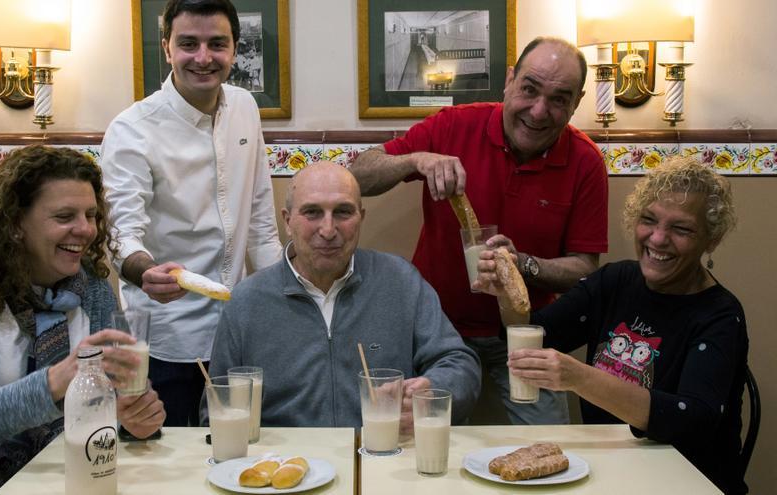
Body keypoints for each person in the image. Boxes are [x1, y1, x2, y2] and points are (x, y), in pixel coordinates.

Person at [351, 36, 608, 425]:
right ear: (509, 80)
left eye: (559, 99)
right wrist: (415, 160)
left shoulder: (586, 161)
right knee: (413, 433)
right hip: (438, 329)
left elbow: (585, 269)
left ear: (577, 102)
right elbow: (358, 176)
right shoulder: (454, 125)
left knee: (550, 443)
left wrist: (521, 264)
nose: (539, 111)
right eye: (529, 89)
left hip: (525, 333)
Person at [0, 146, 165, 494]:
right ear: (15, 224)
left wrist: (133, 420)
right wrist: (55, 380)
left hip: (57, 482)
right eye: (65, 216)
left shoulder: (94, 291)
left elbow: (107, 407)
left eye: (91, 215)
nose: (85, 230)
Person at [477, 157, 748, 494]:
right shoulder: (616, 280)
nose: (658, 238)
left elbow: (690, 421)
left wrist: (579, 377)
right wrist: (506, 291)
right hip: (612, 470)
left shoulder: (720, 315)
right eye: (649, 220)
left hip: (688, 479)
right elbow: (535, 334)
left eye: (681, 229)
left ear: (711, 240)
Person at [100, 0, 282, 427]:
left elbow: (260, 220)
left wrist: (290, 303)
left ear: (235, 49)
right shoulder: (131, 129)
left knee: (242, 455)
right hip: (168, 341)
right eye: (188, 44)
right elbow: (121, 235)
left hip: (240, 335)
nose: (203, 57)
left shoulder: (245, 108)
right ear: (166, 48)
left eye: (217, 44)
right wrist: (145, 271)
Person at [208, 162, 481, 431]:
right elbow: (214, 411)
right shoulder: (246, 302)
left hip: (383, 460)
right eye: (312, 212)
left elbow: (460, 366)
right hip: (283, 467)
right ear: (287, 220)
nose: (328, 230)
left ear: (361, 217)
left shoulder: (401, 281)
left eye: (343, 212)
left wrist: (431, 392)